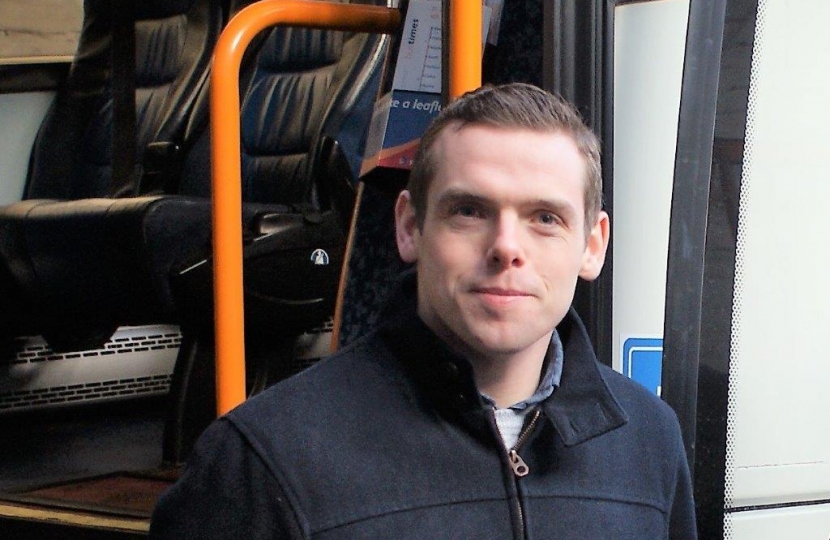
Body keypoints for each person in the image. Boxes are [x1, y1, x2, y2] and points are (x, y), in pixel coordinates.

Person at [149, 83, 697, 539]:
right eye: (469, 211)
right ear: (409, 226)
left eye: (545, 218)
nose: (507, 247)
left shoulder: (648, 442)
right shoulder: (265, 457)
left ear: (592, 245)